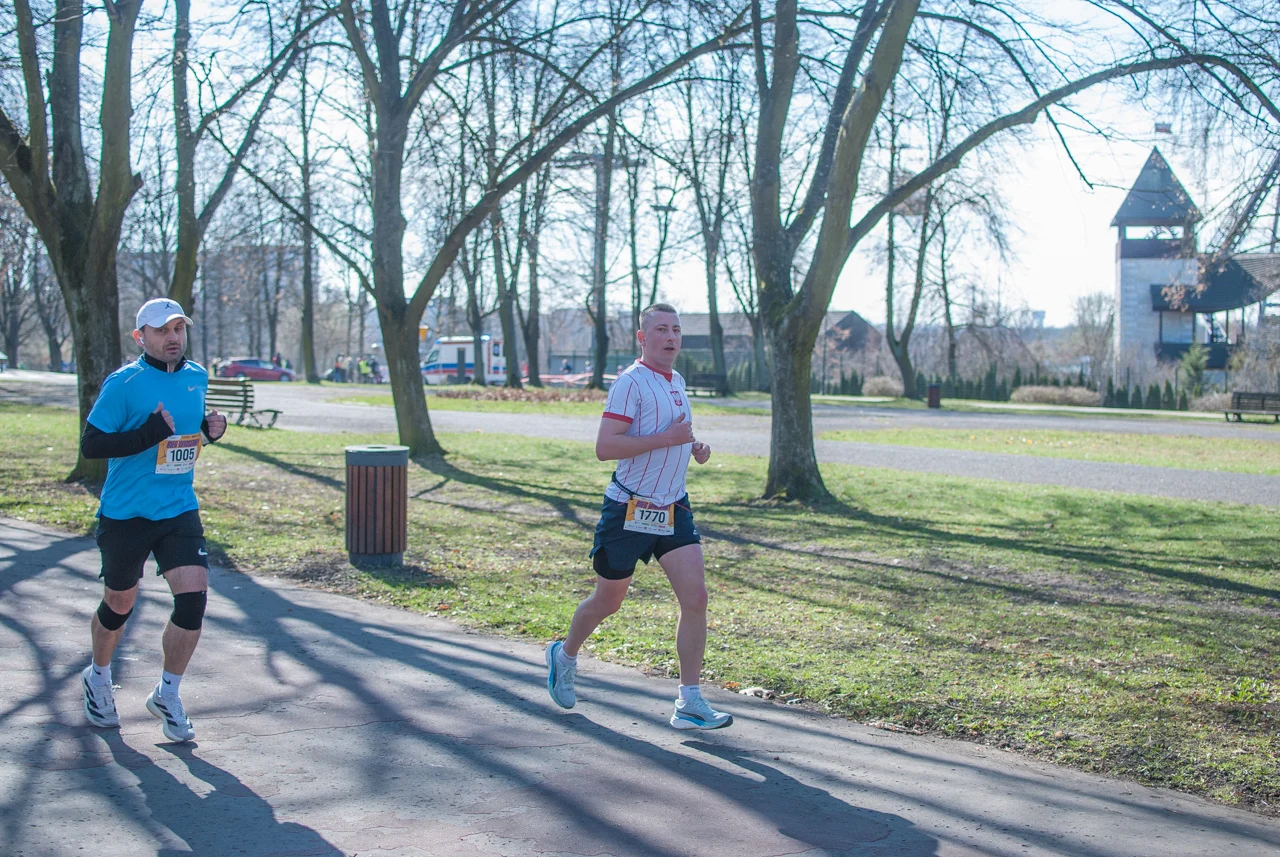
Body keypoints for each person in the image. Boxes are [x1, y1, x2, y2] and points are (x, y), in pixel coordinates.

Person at [545, 303, 731, 730]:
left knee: (696, 599)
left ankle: (689, 702)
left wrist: (693, 446)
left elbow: (674, 433)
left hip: (673, 507)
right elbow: (606, 446)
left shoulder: (676, 381)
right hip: (630, 508)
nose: (671, 337)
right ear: (642, 338)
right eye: (661, 329)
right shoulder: (629, 383)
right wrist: (667, 438)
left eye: (677, 330)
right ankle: (565, 653)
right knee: (608, 601)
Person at [79, 298, 227, 743]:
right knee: (120, 603)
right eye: (163, 330)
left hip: (177, 507)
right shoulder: (124, 383)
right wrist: (147, 433)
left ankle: (168, 693)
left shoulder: (196, 376)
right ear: (140, 336)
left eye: (179, 329)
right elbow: (92, 445)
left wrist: (209, 431)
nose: (173, 338)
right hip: (126, 513)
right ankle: (99, 676)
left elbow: (184, 435)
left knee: (193, 599)